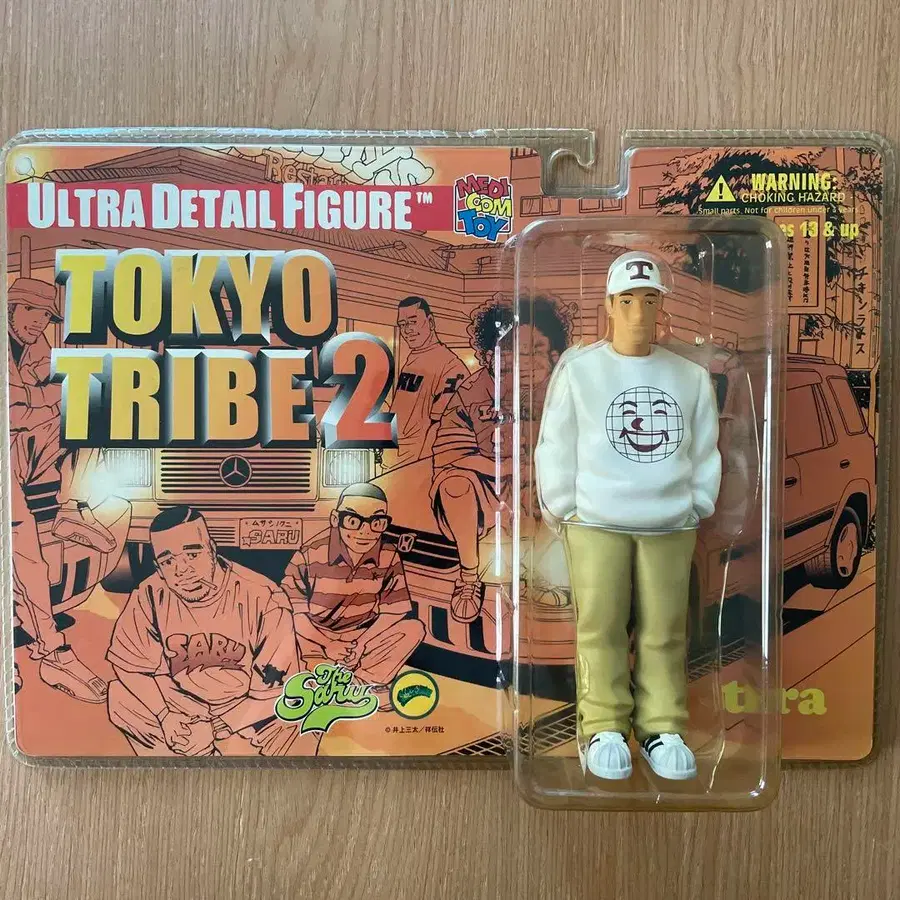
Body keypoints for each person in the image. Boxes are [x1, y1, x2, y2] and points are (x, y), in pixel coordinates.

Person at [535, 251, 721, 782]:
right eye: (628, 301)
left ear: (661, 306)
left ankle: (663, 725)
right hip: (595, 522)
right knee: (600, 626)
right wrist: (565, 506)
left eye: (649, 301)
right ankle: (603, 726)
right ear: (610, 305)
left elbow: (705, 447)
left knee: (666, 628)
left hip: (670, 523)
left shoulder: (690, 376)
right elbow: (557, 442)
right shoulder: (580, 371)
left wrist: (696, 503)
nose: (639, 313)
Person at [106, 507, 300, 757]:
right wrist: (165, 716)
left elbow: (276, 690)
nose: (182, 570)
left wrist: (218, 728)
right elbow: (129, 667)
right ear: (158, 567)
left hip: (245, 707)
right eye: (168, 561)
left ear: (212, 550)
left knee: (303, 714)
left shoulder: (264, 596)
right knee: (120, 697)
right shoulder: (150, 593)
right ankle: (190, 760)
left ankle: (219, 759)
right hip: (182, 704)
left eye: (192, 554)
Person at [431, 296, 571, 623]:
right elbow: (452, 453)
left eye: (536, 350)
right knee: (453, 484)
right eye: (512, 350)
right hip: (488, 488)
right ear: (491, 354)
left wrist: (531, 470)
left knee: (566, 491)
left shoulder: (565, 388)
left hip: (540, 486)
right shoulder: (473, 389)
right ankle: (468, 577)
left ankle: (537, 574)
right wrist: (506, 468)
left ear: (554, 354)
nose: (524, 360)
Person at [8, 277, 114, 703]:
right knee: (24, 552)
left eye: (45, 316)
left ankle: (70, 508)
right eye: (31, 312)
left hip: (21, 455)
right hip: (8, 465)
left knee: (93, 414)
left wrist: (45, 396)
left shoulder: (34, 347)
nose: (38, 322)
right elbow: (13, 409)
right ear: (11, 309)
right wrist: (48, 397)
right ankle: (52, 653)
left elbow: (60, 387)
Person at [281, 483, 424, 695]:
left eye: (377, 522)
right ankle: (326, 677)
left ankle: (361, 682)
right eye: (353, 521)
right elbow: (292, 612)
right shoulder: (309, 553)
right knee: (285, 639)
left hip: (361, 636)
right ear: (335, 519)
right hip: (314, 635)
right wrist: (328, 644)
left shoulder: (389, 554)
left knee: (413, 629)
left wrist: (361, 644)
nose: (365, 531)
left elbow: (394, 610)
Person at [387, 295, 469, 468]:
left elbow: (440, 425)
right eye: (402, 324)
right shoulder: (414, 357)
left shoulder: (451, 366)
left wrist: (423, 468)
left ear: (430, 322)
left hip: (415, 463)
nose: (407, 330)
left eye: (413, 321)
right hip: (394, 458)